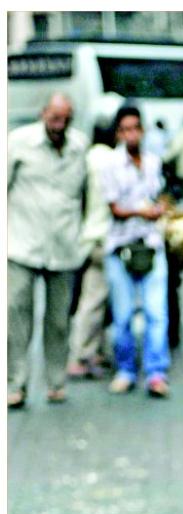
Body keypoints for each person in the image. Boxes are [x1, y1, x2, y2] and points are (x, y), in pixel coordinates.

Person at [7, 92, 88, 408]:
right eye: (55, 118)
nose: (59, 125)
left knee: (58, 321)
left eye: (65, 119)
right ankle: (15, 384)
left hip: (64, 247)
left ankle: (55, 383)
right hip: (21, 244)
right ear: (43, 114)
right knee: (15, 316)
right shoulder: (19, 142)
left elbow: (86, 195)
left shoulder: (79, 146)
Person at [100, 104, 170, 398]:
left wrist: (159, 209)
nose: (131, 134)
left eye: (135, 128)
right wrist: (143, 212)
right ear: (119, 133)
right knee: (123, 315)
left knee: (157, 312)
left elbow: (159, 195)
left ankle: (156, 373)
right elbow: (114, 208)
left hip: (151, 243)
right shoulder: (110, 164)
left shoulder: (153, 162)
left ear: (142, 130)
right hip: (121, 247)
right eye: (125, 129)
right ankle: (126, 370)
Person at [66, 116, 115, 380]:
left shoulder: (87, 157)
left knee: (96, 299)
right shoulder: (110, 160)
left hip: (86, 236)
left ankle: (94, 351)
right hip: (102, 236)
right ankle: (80, 356)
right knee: (94, 300)